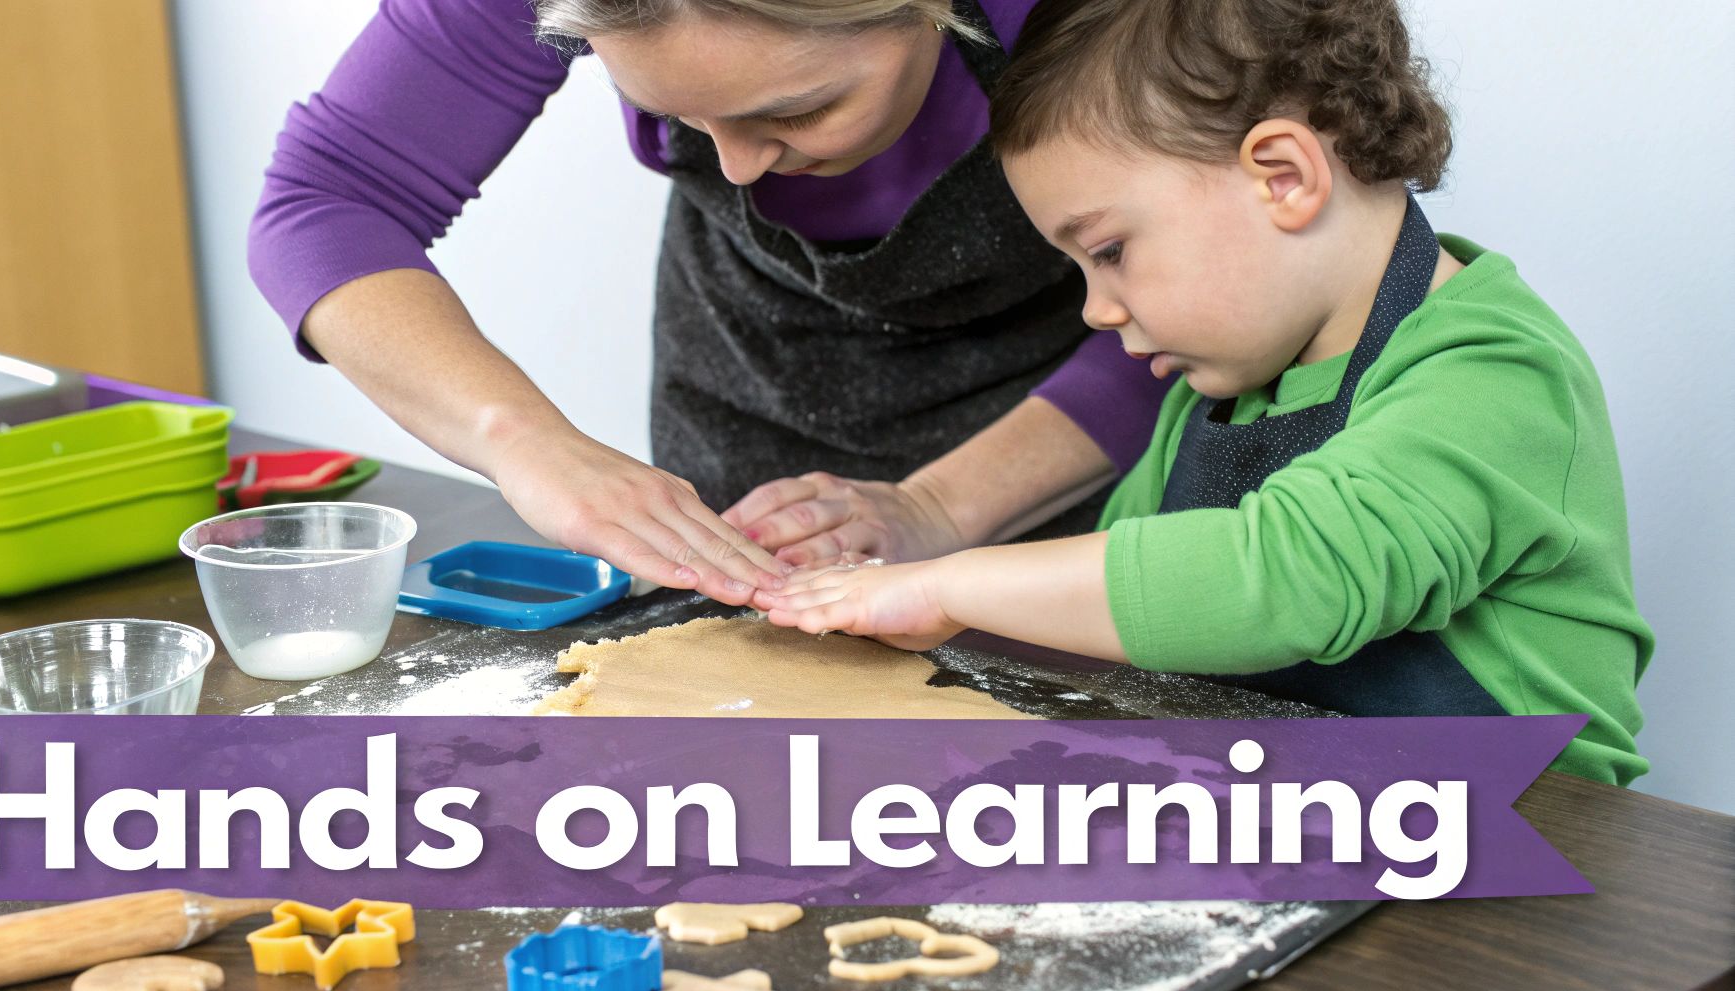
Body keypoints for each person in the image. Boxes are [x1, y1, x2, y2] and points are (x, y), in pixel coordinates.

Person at [760, 0, 1651, 785]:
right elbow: (1115, 627)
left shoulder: (1493, 372)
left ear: (1284, 177)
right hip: (1306, 824)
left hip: (1511, 864)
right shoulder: (1221, 396)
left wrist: (946, 588)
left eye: (1108, 252)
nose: (1097, 310)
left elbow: (1297, 575)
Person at [247, 0, 1169, 607]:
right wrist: (524, 441)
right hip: (750, 372)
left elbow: (1229, 298)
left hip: (1110, 405)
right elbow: (327, 203)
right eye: (685, 117)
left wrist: (941, 507)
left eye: (797, 114)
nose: (732, 167)